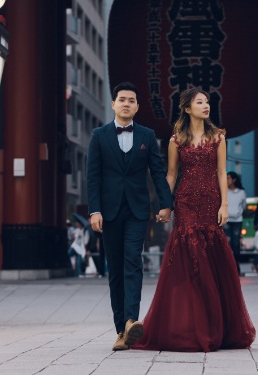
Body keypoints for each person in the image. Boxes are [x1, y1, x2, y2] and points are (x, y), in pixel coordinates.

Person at [134, 87, 255, 351]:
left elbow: (222, 173)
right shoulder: (176, 140)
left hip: (211, 201)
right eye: (200, 102)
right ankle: (189, 326)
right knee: (188, 259)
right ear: (187, 109)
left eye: (207, 102)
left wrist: (224, 204)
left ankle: (215, 325)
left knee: (211, 260)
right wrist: (166, 205)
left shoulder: (218, 138)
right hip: (186, 201)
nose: (206, 105)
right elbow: (170, 175)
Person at [87, 82, 174, 351]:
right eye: (122, 100)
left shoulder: (147, 136)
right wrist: (94, 210)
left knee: (133, 262)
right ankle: (120, 330)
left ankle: (131, 321)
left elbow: (158, 173)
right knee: (115, 270)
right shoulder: (99, 135)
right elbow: (93, 176)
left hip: (138, 210)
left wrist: (165, 204)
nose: (126, 104)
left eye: (132, 100)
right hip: (109, 212)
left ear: (137, 106)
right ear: (113, 104)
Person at [224, 171, 247, 275]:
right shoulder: (224, 191)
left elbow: (244, 205)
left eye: (229, 178)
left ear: (234, 179)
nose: (227, 180)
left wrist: (239, 212)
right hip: (227, 220)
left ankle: (236, 266)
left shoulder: (241, 192)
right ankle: (228, 268)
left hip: (237, 220)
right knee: (227, 244)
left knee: (236, 244)